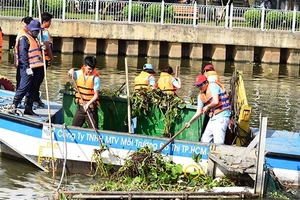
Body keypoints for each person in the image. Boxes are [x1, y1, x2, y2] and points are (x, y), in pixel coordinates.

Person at [185, 75, 231, 144]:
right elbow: (198, 112)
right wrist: (190, 122)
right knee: (205, 140)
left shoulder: (213, 86)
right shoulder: (200, 96)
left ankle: (220, 153)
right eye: (198, 85)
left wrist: (207, 107)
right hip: (213, 118)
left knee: (218, 142)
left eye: (201, 85)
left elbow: (216, 101)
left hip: (222, 116)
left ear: (206, 83)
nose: (199, 87)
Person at [13, 20, 44, 116]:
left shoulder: (35, 39)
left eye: (38, 31)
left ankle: (28, 108)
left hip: (37, 67)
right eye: (36, 31)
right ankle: (14, 105)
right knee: (24, 86)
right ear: (31, 30)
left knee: (33, 88)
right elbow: (23, 54)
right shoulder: (24, 39)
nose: (38, 32)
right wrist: (27, 68)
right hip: (28, 67)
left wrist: (42, 48)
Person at [67, 55, 100, 129]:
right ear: (84, 66)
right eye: (89, 69)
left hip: (91, 109)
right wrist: (71, 70)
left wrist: (88, 104)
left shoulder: (96, 78)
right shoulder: (78, 74)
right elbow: (70, 74)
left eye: (92, 69)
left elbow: (96, 95)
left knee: (94, 129)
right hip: (80, 108)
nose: (90, 71)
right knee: (74, 128)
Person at [34, 12, 54, 108]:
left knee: (36, 79)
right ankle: (35, 98)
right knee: (39, 79)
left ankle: (35, 97)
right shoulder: (44, 32)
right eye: (49, 22)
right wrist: (51, 57)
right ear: (44, 22)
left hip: (36, 59)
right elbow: (47, 46)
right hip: (42, 59)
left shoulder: (36, 31)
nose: (50, 24)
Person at [15, 17, 33, 90]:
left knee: (27, 81)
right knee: (20, 80)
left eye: (23, 24)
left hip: (30, 62)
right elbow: (20, 49)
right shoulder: (22, 34)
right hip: (22, 61)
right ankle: (17, 98)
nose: (22, 26)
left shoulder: (32, 33)